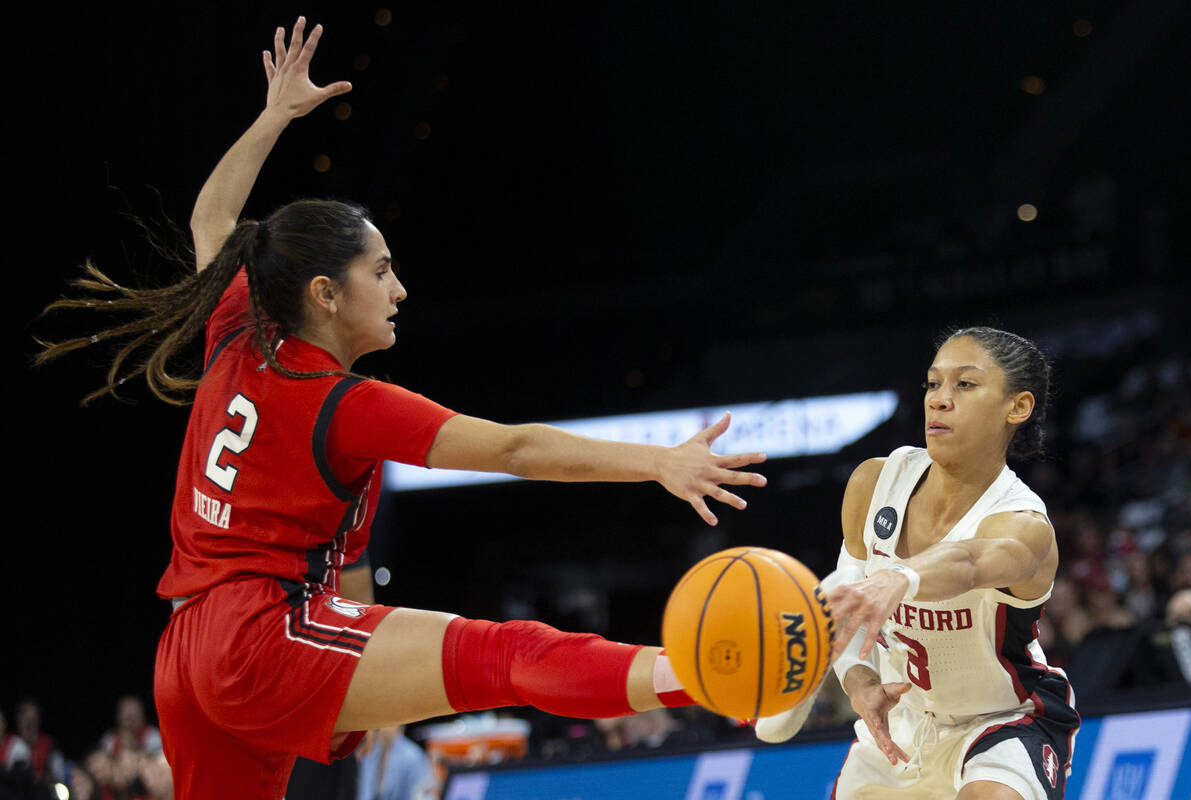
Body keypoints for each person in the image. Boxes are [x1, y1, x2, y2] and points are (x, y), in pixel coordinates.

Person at [38, 19, 762, 800]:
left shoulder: (241, 328)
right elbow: (514, 451)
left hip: (184, 650)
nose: (399, 290)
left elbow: (209, 222)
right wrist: (659, 461)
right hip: (260, 638)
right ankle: (715, 674)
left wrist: (273, 118)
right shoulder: (342, 403)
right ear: (324, 293)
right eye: (380, 271)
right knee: (506, 653)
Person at [757, 327, 1079, 800]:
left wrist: (900, 577)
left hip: (1004, 722)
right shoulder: (874, 482)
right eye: (933, 384)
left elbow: (968, 561)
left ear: (1018, 407)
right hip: (902, 727)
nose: (939, 400)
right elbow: (848, 595)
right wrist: (858, 679)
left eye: (964, 385)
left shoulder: (1023, 524)